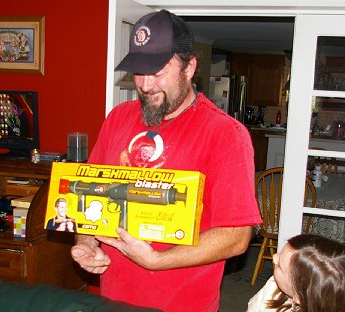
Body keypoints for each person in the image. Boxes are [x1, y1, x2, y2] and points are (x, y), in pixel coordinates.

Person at [71, 9, 261, 311]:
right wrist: (86, 244)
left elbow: (237, 237)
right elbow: (91, 197)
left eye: (158, 73)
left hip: (181, 304)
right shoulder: (118, 118)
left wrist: (157, 261)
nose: (146, 85)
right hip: (112, 299)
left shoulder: (226, 134)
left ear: (189, 67)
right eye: (139, 72)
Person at [247, 234, 345, 312]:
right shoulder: (273, 286)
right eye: (280, 253)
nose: (274, 257)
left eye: (280, 266)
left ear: (298, 297)